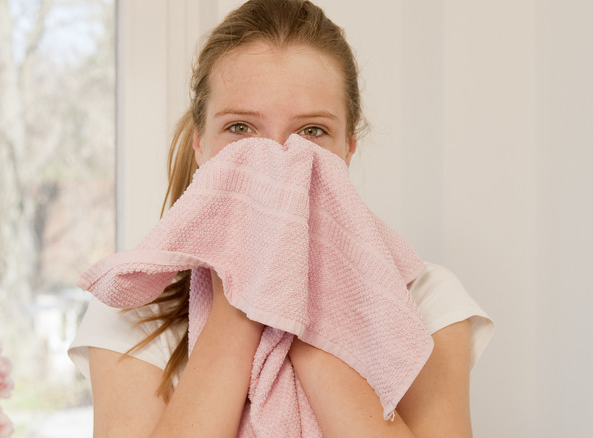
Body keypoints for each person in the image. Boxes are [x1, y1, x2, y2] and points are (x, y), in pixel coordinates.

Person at [68, 0, 494, 436]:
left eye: (311, 132)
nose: (277, 165)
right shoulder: (132, 312)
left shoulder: (427, 302)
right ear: (201, 145)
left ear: (348, 147)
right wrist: (243, 301)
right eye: (240, 129)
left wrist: (311, 302)